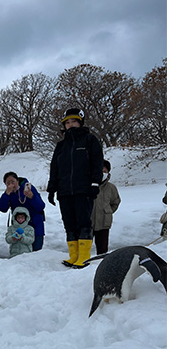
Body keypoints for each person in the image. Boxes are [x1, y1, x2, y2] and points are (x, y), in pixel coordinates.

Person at [47, 107, 103, 268]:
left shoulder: (90, 140)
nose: (70, 125)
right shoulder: (61, 146)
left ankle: (84, 256)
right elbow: (54, 168)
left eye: (74, 121)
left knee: (83, 222)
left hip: (83, 189)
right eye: (67, 122)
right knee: (69, 223)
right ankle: (74, 255)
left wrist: (95, 183)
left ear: (80, 122)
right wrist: (52, 189)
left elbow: (97, 163)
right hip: (64, 191)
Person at [0, 171, 46, 251]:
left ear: (17, 181)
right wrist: (6, 194)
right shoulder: (9, 193)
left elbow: (41, 206)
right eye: (8, 183)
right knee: (20, 252)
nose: (11, 184)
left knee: (36, 252)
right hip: (19, 228)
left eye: (13, 181)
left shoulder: (28, 189)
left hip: (35, 225)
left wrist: (32, 197)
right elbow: (2, 208)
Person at [91, 159, 121, 255]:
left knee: (102, 250)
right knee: (84, 249)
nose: (102, 173)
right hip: (87, 222)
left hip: (104, 223)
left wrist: (107, 211)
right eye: (100, 171)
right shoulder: (86, 186)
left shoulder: (111, 187)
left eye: (105, 171)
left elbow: (115, 202)